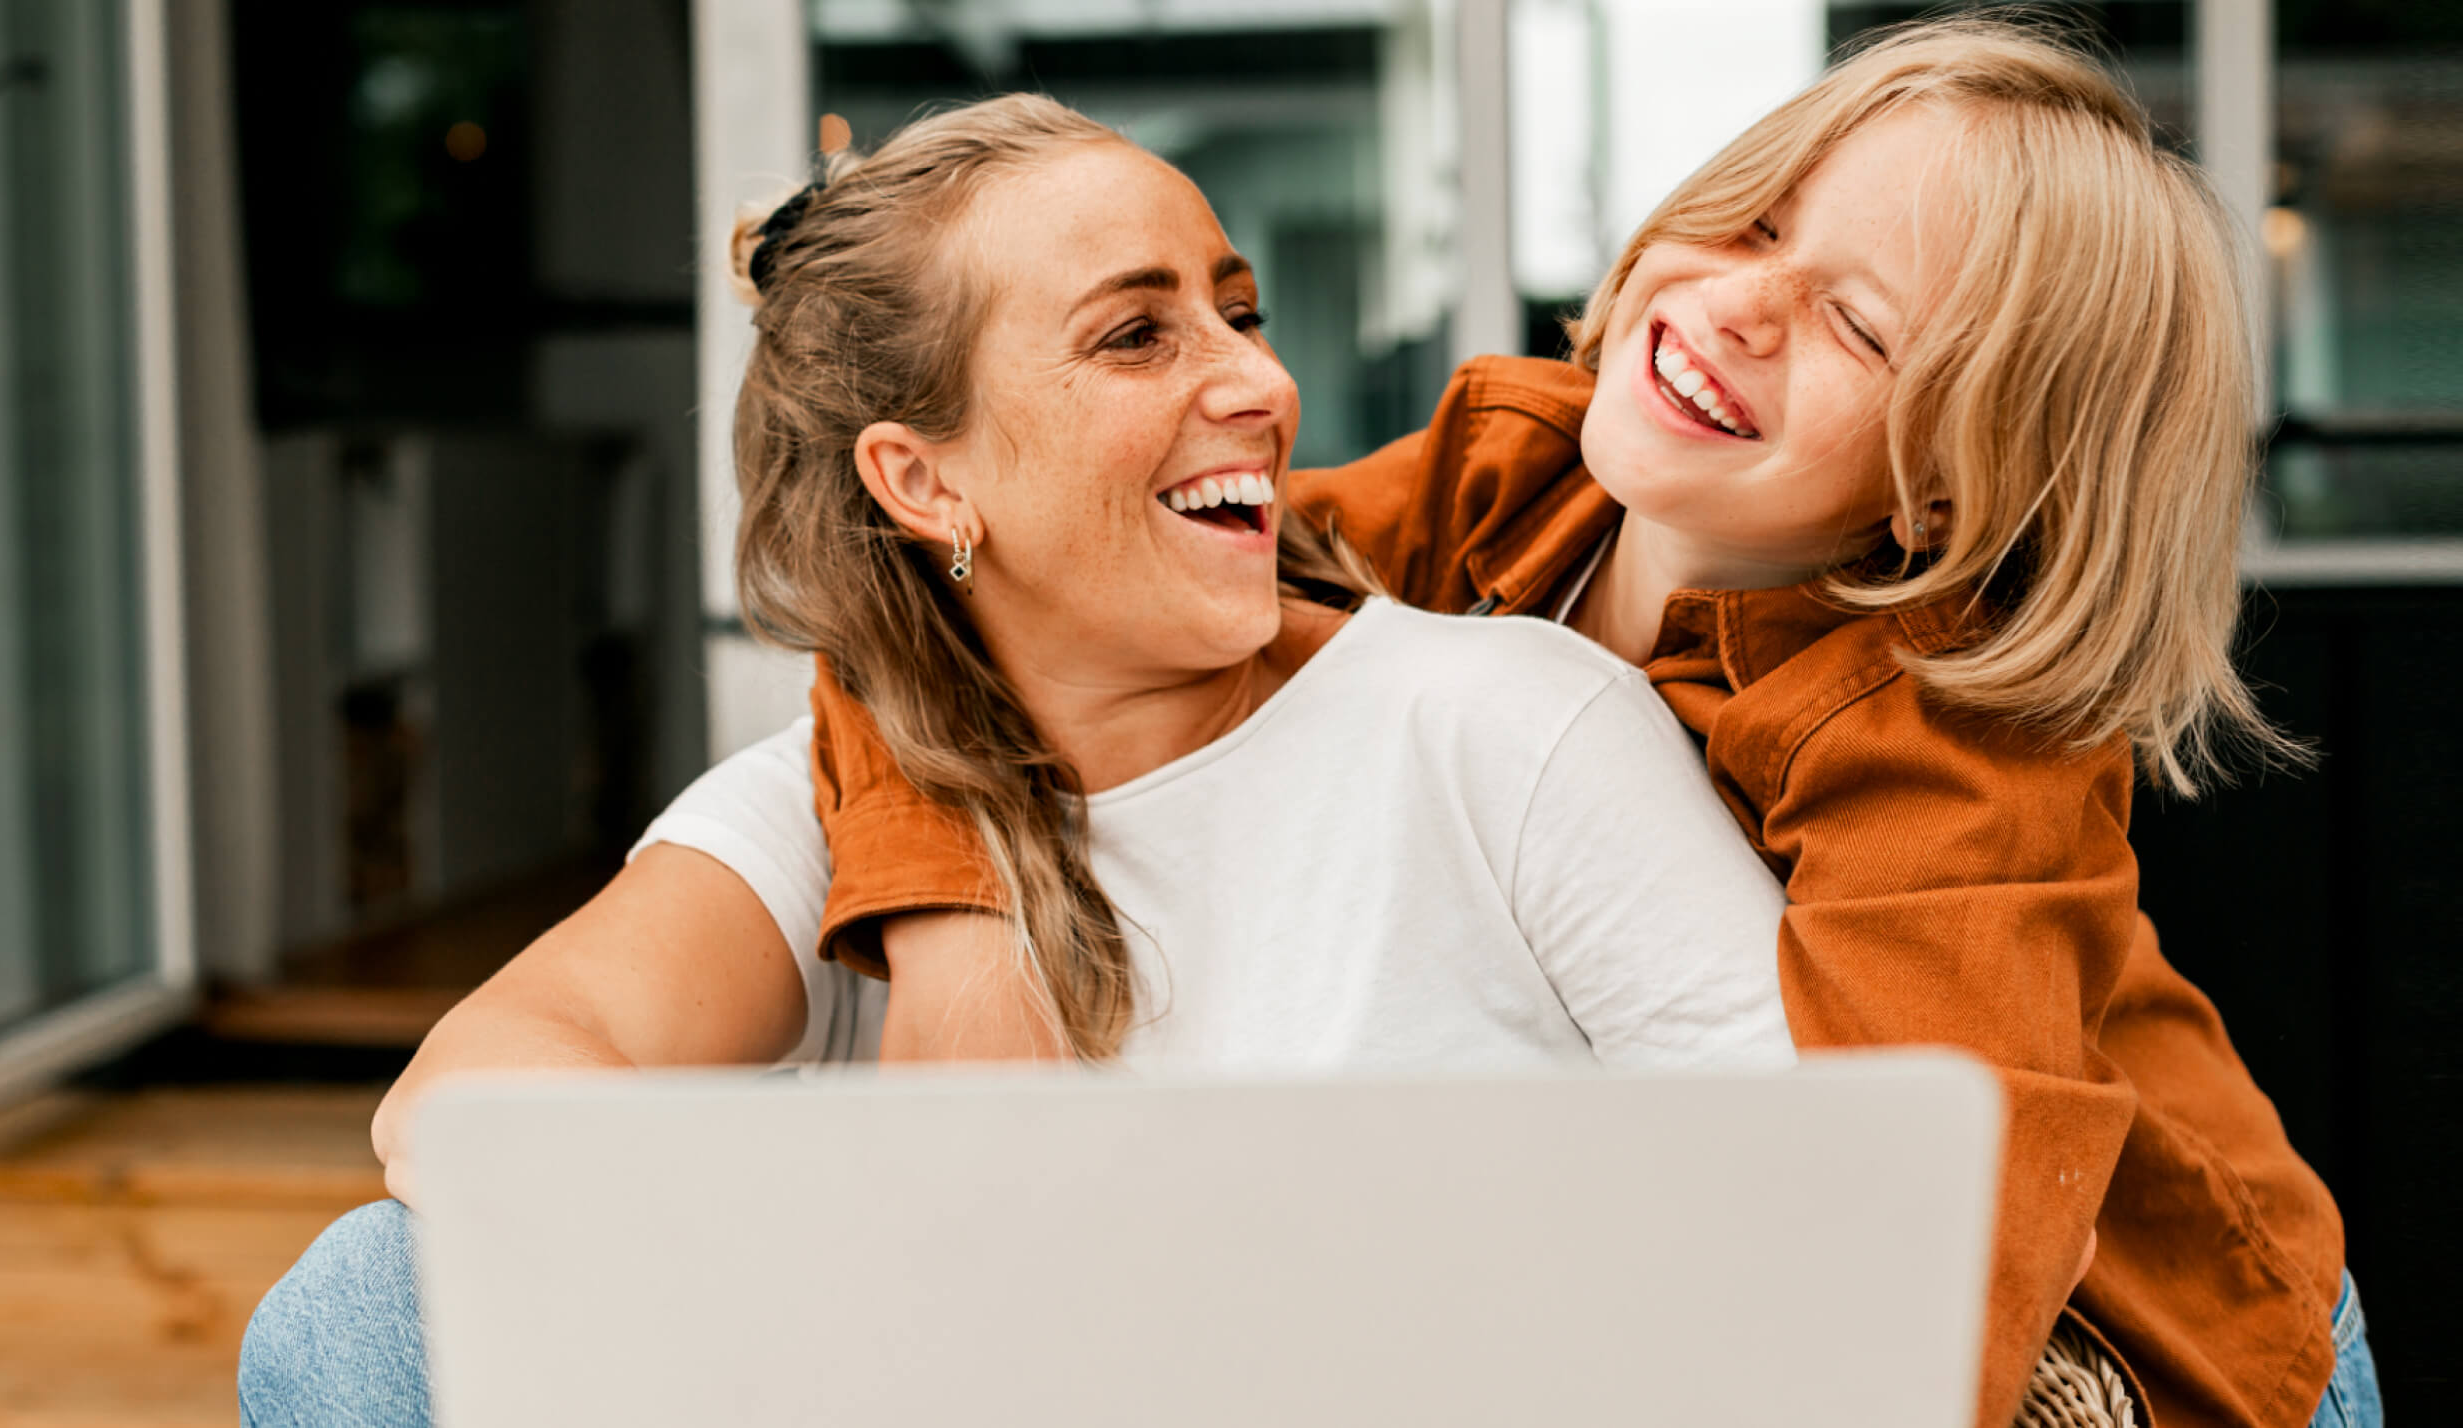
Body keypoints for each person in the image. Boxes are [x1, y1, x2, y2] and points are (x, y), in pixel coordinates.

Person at [792, 20, 2379, 1428]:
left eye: (1862, 328)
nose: (1744, 303)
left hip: (2130, 1347)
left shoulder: (1949, 746)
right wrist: (960, 926)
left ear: (1959, 477)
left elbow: (1935, 1250)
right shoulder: (1505, 479)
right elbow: (992, 593)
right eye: (1756, 221)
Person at [238, 95, 1797, 1426]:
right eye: (1137, 336)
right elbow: (464, 1098)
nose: (1259, 386)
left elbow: (1800, 1223)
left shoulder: (1499, 723)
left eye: (1236, 313)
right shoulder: (831, 805)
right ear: (925, 481)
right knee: (364, 1304)